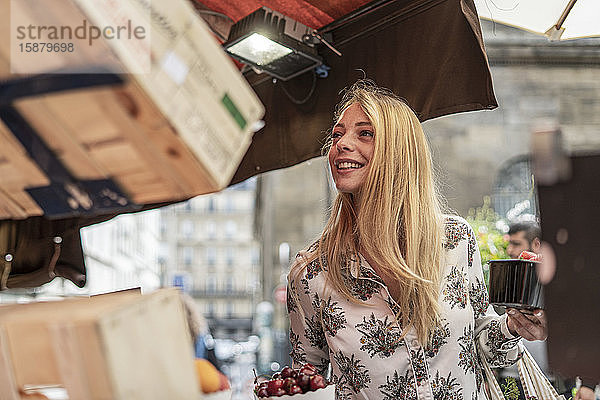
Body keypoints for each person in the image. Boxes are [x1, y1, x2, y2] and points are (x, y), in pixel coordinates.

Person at [286, 80, 548, 400]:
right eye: (338, 134)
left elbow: (481, 340)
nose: (340, 144)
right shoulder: (311, 272)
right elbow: (303, 382)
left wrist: (514, 327)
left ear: (400, 152)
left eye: (364, 133)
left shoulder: (456, 241)